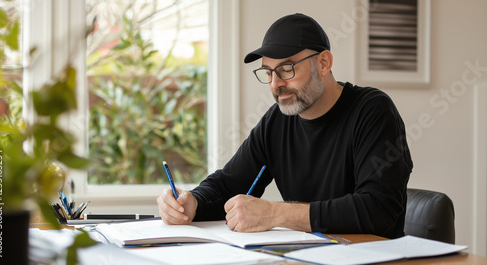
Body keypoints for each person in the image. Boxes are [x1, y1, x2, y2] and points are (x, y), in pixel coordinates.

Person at [157, 13, 413, 239]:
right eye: (268, 72)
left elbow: (378, 211)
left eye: (287, 69)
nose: (275, 84)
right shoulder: (278, 120)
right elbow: (229, 184)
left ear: (323, 63)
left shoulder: (373, 111)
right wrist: (193, 202)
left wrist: (275, 213)